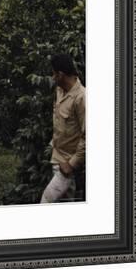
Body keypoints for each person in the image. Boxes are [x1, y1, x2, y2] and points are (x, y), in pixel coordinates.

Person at [41, 53, 86, 203]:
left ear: (60, 75)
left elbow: (89, 137)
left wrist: (72, 164)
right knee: (65, 204)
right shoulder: (60, 90)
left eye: (54, 74)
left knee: (46, 201)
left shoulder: (82, 98)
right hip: (57, 157)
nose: (52, 77)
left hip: (67, 164)